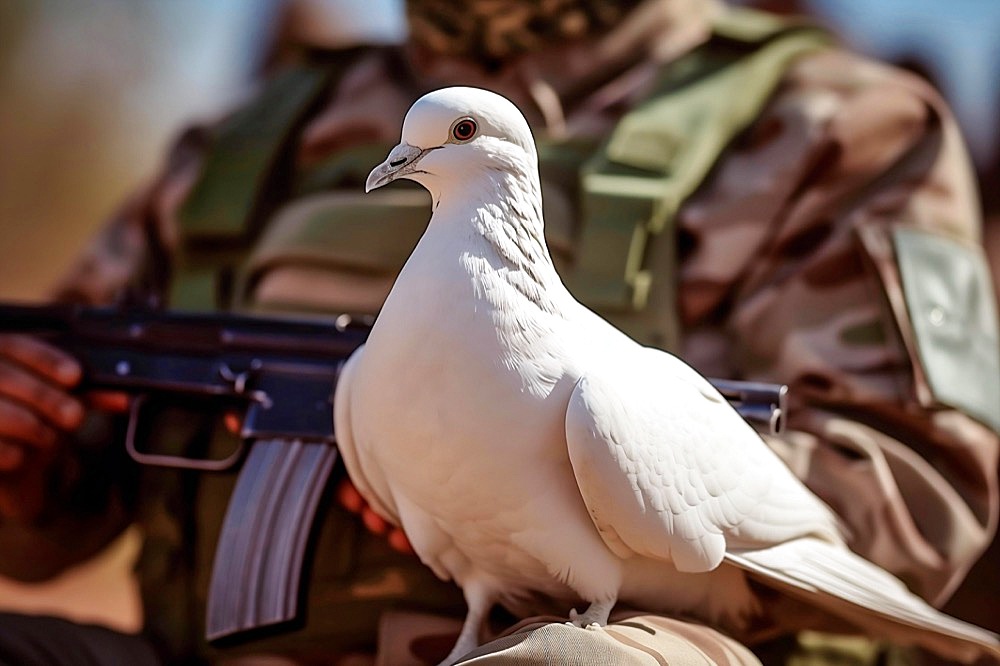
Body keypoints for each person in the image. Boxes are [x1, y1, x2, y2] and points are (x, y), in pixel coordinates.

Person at [1, 0, 998, 663]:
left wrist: (584, 475)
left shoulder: (839, 126)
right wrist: (26, 455)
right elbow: (62, 496)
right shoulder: (253, 129)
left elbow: (915, 492)